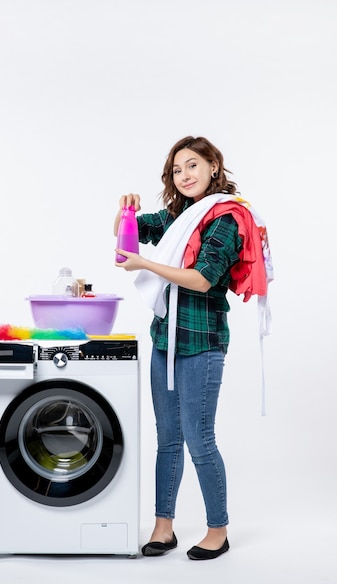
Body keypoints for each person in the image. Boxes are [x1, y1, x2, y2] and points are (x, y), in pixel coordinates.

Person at [114, 135, 270, 560]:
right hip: (165, 339)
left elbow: (202, 278)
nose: (184, 175)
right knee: (167, 438)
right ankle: (164, 526)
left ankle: (217, 530)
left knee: (199, 439)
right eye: (176, 170)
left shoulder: (226, 218)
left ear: (213, 168)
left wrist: (144, 264)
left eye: (192, 166)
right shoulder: (180, 215)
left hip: (202, 343)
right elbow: (133, 233)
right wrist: (125, 212)